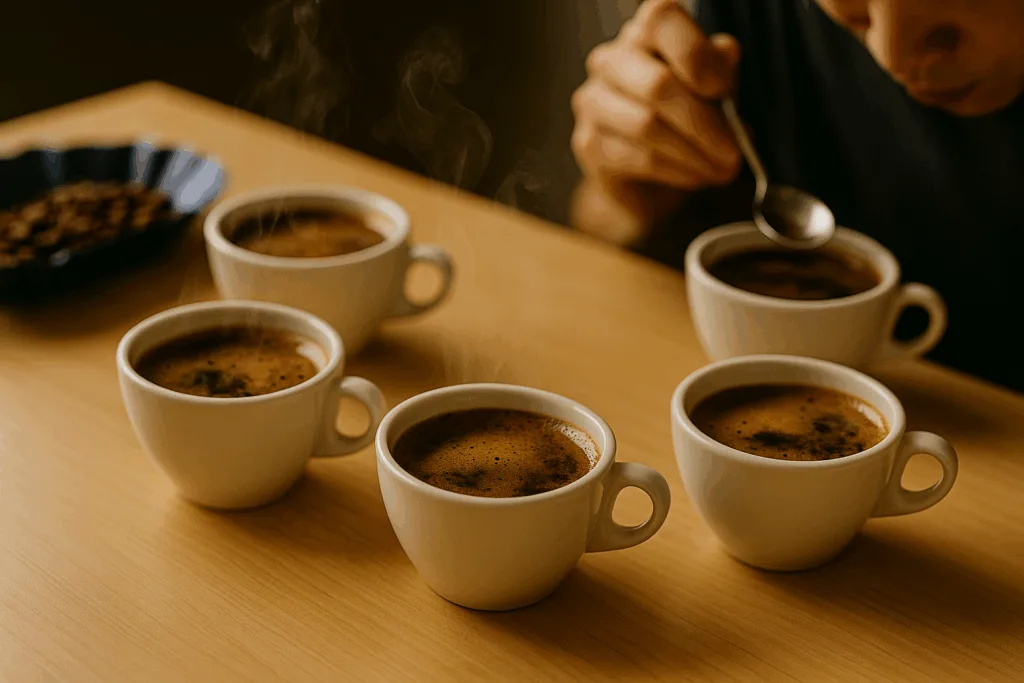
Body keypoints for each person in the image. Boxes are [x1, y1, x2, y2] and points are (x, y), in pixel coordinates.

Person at [570, 0, 1024, 392]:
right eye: (856, 12)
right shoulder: (752, 22)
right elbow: (606, 257)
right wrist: (624, 201)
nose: (892, 56)